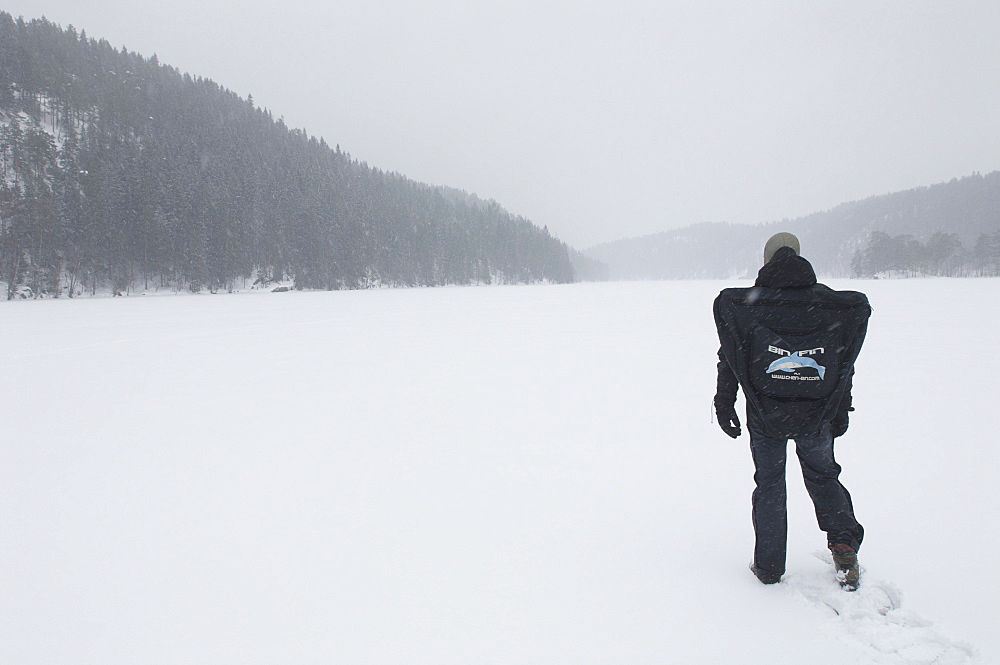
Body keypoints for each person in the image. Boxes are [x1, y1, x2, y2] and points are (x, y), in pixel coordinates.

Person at [713, 233, 870, 590]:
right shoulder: (828, 305)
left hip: (765, 413)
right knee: (822, 475)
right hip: (816, 414)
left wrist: (725, 401)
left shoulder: (748, 308)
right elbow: (843, 361)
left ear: (766, 261)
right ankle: (843, 546)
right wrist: (840, 408)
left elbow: (730, 357)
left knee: (769, 483)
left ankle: (769, 567)